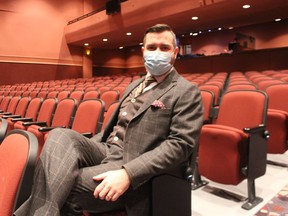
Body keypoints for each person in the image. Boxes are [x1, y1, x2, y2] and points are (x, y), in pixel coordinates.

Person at [14, 24, 203, 216]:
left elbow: (180, 145)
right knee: (59, 136)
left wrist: (129, 173)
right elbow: (112, 131)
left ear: (175, 52)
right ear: (143, 51)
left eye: (164, 48)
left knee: (62, 183)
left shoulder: (186, 91)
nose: (157, 52)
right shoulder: (135, 85)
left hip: (133, 164)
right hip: (106, 150)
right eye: (152, 47)